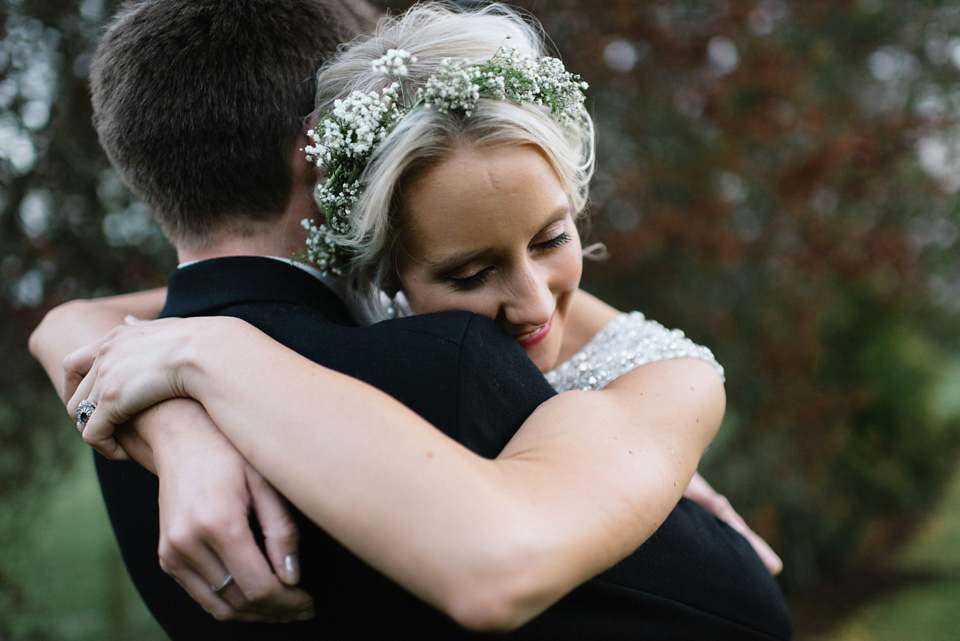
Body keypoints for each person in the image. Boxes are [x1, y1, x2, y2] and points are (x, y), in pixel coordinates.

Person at [31, 2, 792, 639]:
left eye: (555, 235)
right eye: (467, 271)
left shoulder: (122, 392)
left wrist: (198, 358)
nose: (531, 301)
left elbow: (83, 324)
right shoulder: (440, 358)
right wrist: (185, 394)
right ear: (336, 169)